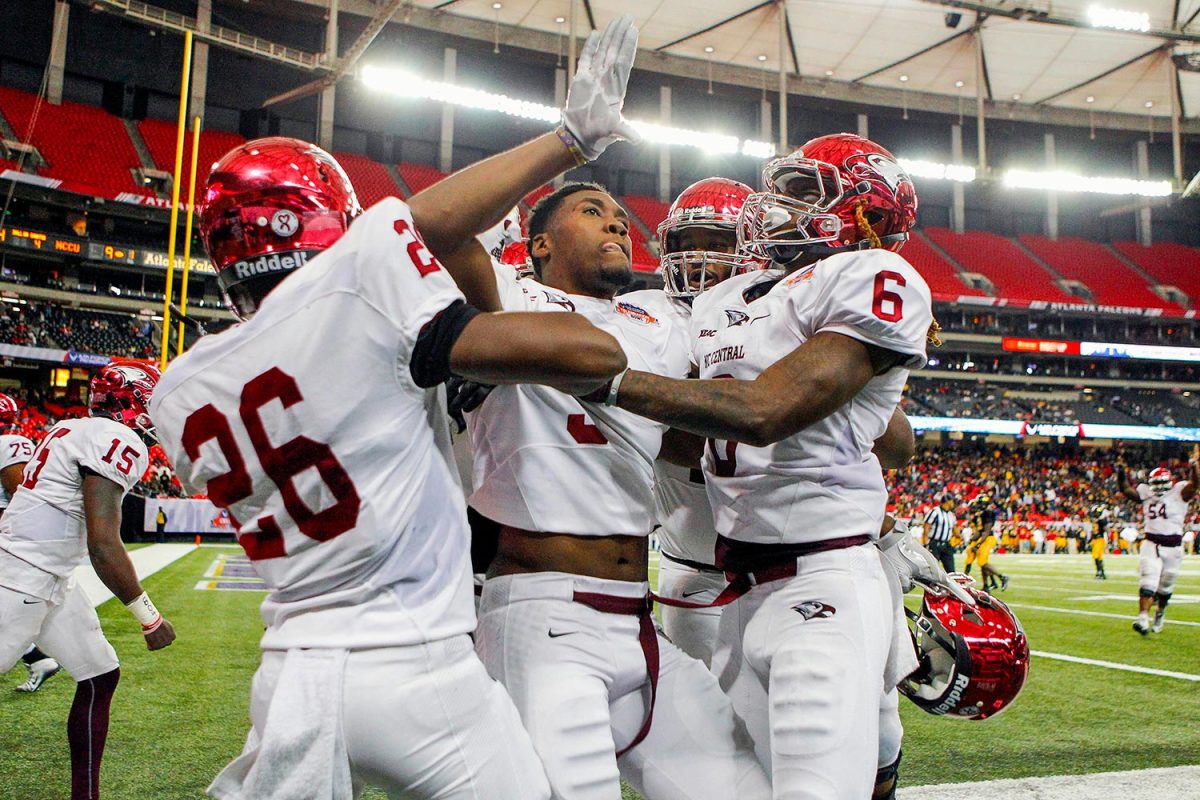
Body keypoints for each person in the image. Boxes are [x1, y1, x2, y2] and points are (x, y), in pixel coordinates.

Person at [150, 17, 640, 800]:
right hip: (418, 667)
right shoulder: (360, 275)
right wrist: (569, 138)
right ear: (325, 219)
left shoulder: (178, 388)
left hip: (289, 677)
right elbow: (581, 350)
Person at [597, 133, 940, 798]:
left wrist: (602, 383)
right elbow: (695, 428)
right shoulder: (728, 301)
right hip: (731, 584)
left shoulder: (871, 276)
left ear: (860, 208)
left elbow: (766, 411)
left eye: (802, 190)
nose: (776, 203)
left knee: (838, 770)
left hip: (823, 572)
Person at [463, 178, 770, 798]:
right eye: (591, 211)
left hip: (637, 616)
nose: (615, 224)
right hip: (543, 615)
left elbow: (723, 410)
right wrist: (567, 143)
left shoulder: (658, 315)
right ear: (539, 243)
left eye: (621, 217)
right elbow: (433, 226)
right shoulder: (508, 294)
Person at [0, 361, 176, 800]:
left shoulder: (75, 429)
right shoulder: (118, 438)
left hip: (47, 575)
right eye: (151, 402)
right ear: (130, 403)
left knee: (100, 674)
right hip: (21, 577)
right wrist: (149, 618)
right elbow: (103, 543)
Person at [619, 176, 758, 667]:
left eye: (717, 244)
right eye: (687, 244)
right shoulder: (644, 314)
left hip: (783, 567)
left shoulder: (785, 311)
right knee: (717, 725)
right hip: (695, 572)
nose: (698, 258)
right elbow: (657, 436)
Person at [1116, 454, 1198, 634]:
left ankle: (1160, 612)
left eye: (1162, 483)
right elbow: (1125, 489)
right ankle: (1143, 618)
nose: (1159, 487)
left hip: (1174, 547)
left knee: (1165, 588)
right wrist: (1121, 472)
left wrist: (1194, 466)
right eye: (1156, 483)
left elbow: (1195, 485)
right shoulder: (1146, 494)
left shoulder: (1179, 493)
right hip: (1152, 543)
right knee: (1148, 581)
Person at [922, 495, 956, 574]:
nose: (954, 504)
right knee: (932, 570)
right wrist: (925, 543)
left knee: (951, 571)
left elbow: (954, 529)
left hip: (946, 545)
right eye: (952, 501)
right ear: (948, 502)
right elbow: (926, 527)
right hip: (935, 544)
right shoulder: (935, 511)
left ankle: (948, 586)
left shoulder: (951, 514)